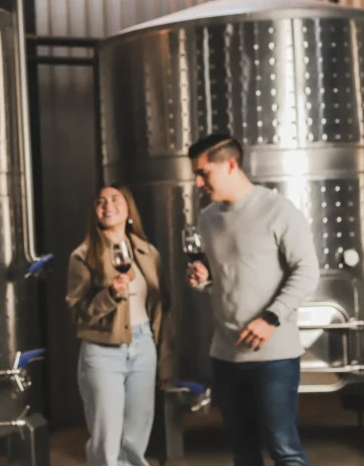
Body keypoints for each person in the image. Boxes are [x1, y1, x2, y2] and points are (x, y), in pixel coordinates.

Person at [185, 133, 319, 466]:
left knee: (284, 449)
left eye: (204, 173)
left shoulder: (278, 210)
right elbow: (229, 277)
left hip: (273, 357)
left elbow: (307, 272)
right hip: (225, 354)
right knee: (243, 453)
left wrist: (271, 318)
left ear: (231, 165)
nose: (198, 182)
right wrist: (205, 279)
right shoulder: (208, 218)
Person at [65, 183, 174, 466]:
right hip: (103, 351)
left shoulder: (148, 253)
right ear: (95, 211)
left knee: (135, 440)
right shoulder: (83, 255)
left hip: (144, 346)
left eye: (115, 199)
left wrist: (165, 360)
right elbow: (78, 313)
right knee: (106, 442)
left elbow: (162, 309)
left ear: (128, 210)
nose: (107, 206)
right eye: (100, 201)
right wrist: (110, 295)